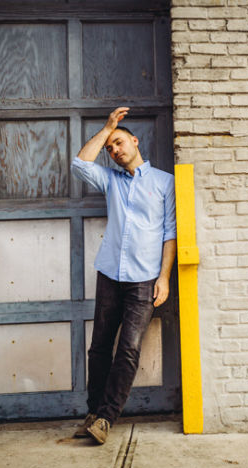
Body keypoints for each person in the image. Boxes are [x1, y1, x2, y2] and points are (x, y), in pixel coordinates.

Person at [70, 107, 176, 444]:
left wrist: (164, 277)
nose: (114, 150)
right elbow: (79, 164)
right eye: (110, 148)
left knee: (128, 349)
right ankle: (93, 412)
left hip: (144, 280)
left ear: (135, 141)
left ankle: (106, 418)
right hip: (110, 274)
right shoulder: (110, 180)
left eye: (119, 143)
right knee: (99, 348)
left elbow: (170, 234)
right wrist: (106, 129)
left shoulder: (164, 183)